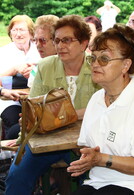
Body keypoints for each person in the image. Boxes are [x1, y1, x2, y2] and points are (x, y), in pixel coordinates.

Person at [5, 15, 99, 195]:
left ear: (84, 43)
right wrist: (22, 142)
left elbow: (105, 108)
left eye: (67, 40)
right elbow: (32, 111)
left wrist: (55, 116)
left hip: (88, 140)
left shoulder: (97, 66)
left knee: (92, 182)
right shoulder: (46, 66)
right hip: (47, 141)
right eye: (57, 40)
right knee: (17, 177)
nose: (60, 46)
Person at [67, 24, 134, 195]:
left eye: (104, 59)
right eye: (93, 58)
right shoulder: (96, 99)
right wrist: (86, 155)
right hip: (98, 182)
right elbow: (85, 144)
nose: (96, 64)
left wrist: (101, 159)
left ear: (126, 65)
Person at [0, 15, 41, 140]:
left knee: (38, 122)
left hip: (36, 99)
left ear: (31, 32)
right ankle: (12, 154)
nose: (18, 34)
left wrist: (34, 72)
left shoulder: (39, 49)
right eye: (14, 30)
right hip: (10, 100)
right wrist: (14, 69)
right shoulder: (4, 52)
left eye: (22, 30)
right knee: (15, 122)